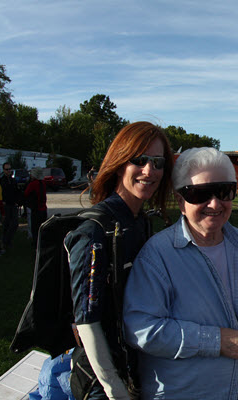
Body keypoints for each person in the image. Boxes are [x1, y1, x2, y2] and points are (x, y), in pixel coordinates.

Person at [123, 147, 238, 400]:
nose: (215, 204)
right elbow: (141, 329)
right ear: (180, 199)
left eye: (224, 192)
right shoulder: (157, 256)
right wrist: (214, 341)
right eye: (200, 194)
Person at [65, 121, 174, 400]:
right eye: (139, 160)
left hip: (137, 369)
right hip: (103, 383)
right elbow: (87, 321)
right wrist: (115, 391)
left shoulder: (141, 222)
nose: (150, 171)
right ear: (119, 162)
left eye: (158, 162)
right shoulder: (94, 230)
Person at [0, 162, 21, 251]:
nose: (9, 171)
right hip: (6, 205)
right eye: (7, 169)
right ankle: (5, 242)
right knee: (6, 224)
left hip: (13, 204)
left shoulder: (13, 180)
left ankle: (8, 240)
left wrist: (18, 201)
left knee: (15, 223)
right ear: (4, 170)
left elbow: (16, 191)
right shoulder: (1, 180)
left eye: (9, 169)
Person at [24, 167, 48, 247]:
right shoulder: (43, 183)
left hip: (36, 209)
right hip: (43, 208)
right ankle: (42, 242)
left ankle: (36, 243)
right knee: (42, 227)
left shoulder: (33, 184)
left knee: (35, 228)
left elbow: (26, 193)